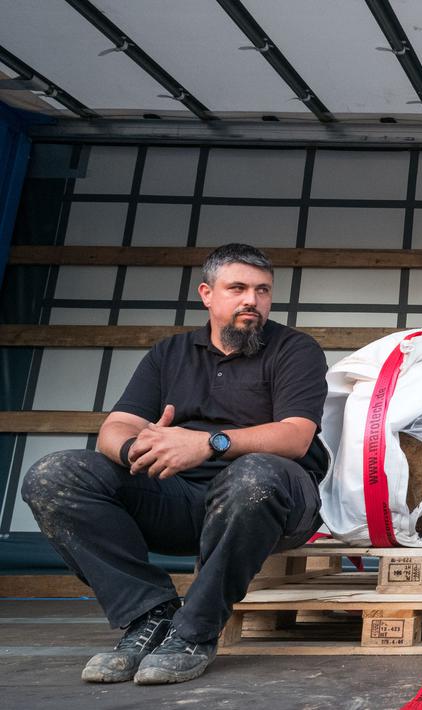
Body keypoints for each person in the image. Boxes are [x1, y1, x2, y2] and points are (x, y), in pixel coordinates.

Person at [22, 243, 328, 685]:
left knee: (254, 473)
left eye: (262, 290)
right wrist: (138, 451)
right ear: (207, 293)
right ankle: (149, 614)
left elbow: (296, 437)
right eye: (238, 288)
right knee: (54, 475)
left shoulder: (295, 349)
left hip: (274, 503)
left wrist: (208, 443)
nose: (252, 300)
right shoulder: (170, 353)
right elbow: (116, 427)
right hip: (178, 496)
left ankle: (194, 633)